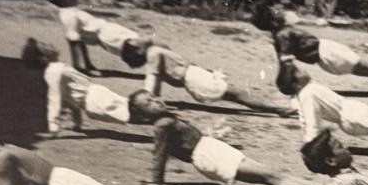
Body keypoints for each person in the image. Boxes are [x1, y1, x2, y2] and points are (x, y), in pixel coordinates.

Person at [127, 92, 325, 185]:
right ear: (144, 116)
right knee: (271, 176)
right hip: (209, 156)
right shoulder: (162, 125)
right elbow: (159, 157)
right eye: (149, 103)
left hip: (211, 150)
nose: (156, 101)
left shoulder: (166, 119)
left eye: (153, 97)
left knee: (272, 174)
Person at [251, 2, 368, 95]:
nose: (279, 11)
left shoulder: (281, 33)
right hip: (329, 55)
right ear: (272, 20)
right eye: (275, 12)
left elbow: (286, 60)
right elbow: (286, 63)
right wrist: (285, 85)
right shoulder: (283, 34)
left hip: (328, 52)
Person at [117, 39, 291, 115]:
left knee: (239, 95)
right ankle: (279, 108)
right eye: (136, 43)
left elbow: (155, 81)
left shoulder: (154, 50)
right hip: (195, 79)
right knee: (239, 94)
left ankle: (278, 108)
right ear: (138, 50)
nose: (140, 39)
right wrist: (148, 100)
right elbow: (152, 81)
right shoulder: (153, 54)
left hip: (196, 75)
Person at [21, 38, 133, 135]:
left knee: (131, 107)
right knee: (132, 112)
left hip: (97, 95)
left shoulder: (57, 68)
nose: (49, 45)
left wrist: (77, 123)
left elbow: (70, 99)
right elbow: (54, 99)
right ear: (43, 58)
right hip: (95, 101)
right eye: (45, 46)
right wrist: (53, 125)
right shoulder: (54, 71)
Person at [48, 0, 150, 73]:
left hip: (106, 33)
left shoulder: (69, 12)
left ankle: (149, 61)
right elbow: (74, 40)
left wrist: (84, 65)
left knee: (140, 46)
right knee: (141, 45)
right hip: (107, 34)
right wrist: (78, 66)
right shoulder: (69, 14)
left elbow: (77, 40)